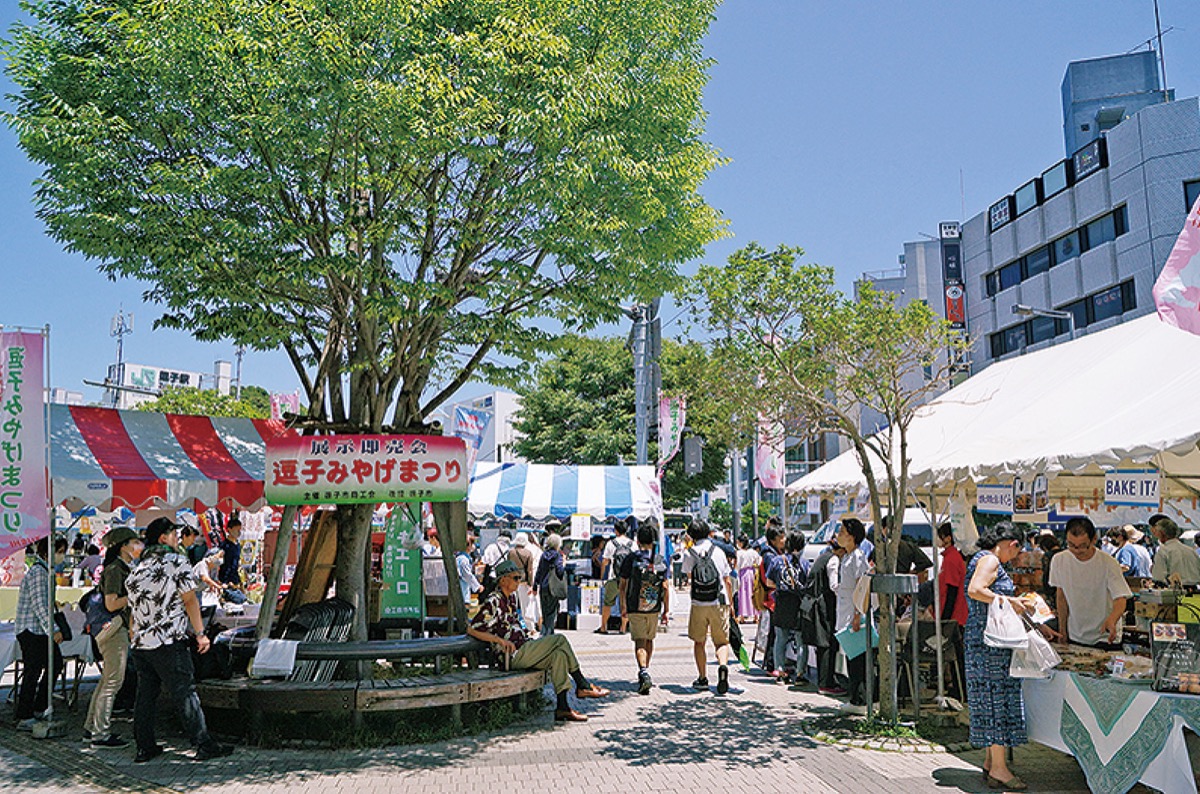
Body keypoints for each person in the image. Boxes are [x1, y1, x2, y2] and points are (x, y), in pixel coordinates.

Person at [126, 518, 232, 763]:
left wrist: (134, 634)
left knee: (145, 696)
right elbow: (189, 600)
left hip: (141, 643)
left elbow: (133, 609)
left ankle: (145, 747)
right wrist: (200, 633)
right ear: (163, 538)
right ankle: (203, 743)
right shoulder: (176, 562)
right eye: (174, 533)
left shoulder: (137, 569)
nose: (177, 537)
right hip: (168, 640)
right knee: (185, 692)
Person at [468, 559, 609, 722]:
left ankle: (563, 708)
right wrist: (498, 641)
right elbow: (472, 628)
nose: (518, 581)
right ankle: (582, 684)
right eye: (515, 578)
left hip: (525, 647)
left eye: (519, 578)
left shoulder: (512, 598)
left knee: (559, 656)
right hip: (512, 656)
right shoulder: (493, 601)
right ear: (503, 579)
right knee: (560, 640)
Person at [965, 521, 1034, 791]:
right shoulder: (991, 560)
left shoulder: (982, 558)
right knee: (997, 700)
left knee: (991, 699)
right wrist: (1010, 601)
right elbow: (976, 590)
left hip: (983, 639)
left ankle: (991, 761)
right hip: (990, 644)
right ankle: (999, 769)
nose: (1014, 558)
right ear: (1013, 544)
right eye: (1016, 552)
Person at [82, 527, 143, 747]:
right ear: (123, 545)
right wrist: (134, 595)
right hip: (113, 630)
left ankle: (92, 727)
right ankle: (101, 733)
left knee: (107, 681)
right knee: (113, 682)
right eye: (134, 541)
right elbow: (112, 603)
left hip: (115, 629)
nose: (138, 545)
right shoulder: (116, 569)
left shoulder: (121, 567)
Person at [1049, 516, 1132, 650]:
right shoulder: (1059, 560)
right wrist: (1062, 630)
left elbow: (1120, 598)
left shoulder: (1108, 563)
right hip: (1076, 635)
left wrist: (1112, 619)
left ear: (1094, 540)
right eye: (1071, 545)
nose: (1076, 550)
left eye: (1082, 546)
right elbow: (1061, 596)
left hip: (1105, 637)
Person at [13, 536, 67, 730]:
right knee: (33, 671)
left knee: (54, 663)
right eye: (60, 551)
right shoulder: (38, 572)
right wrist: (54, 630)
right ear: (48, 551)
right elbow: (40, 606)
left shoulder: (45, 572)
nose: (63, 556)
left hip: (38, 630)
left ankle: (39, 706)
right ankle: (25, 714)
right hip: (32, 630)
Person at [681, 520, 734, 694]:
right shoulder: (718, 551)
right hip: (719, 600)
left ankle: (702, 678)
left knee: (699, 641)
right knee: (721, 641)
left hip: (699, 602)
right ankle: (723, 667)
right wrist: (731, 603)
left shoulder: (690, 553)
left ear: (691, 535)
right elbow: (727, 579)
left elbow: (689, 576)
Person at [618, 524, 669, 695]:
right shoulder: (660, 560)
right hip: (654, 606)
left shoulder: (631, 559)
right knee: (649, 639)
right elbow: (666, 587)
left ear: (638, 540)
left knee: (639, 640)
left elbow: (623, 585)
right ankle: (646, 669)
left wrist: (623, 606)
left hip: (635, 605)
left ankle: (643, 671)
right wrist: (666, 611)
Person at [835, 517, 871, 713]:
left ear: (852, 536)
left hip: (853, 612)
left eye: (842, 532)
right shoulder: (847, 556)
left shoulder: (858, 557)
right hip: (846, 610)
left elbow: (861, 587)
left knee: (856, 658)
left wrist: (858, 614)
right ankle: (856, 698)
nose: (838, 536)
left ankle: (860, 700)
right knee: (851, 656)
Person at [767, 532, 809, 687]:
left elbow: (770, 582)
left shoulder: (777, 561)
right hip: (798, 604)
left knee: (781, 639)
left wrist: (781, 586)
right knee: (801, 641)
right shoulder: (804, 563)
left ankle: (780, 672)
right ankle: (799, 674)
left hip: (782, 603)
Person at [597, 519, 635, 635]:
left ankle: (603, 627)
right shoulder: (632, 544)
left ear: (616, 530)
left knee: (608, 603)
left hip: (613, 578)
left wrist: (602, 576)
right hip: (628, 578)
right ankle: (623, 628)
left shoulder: (611, 543)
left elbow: (605, 562)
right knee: (626, 603)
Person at [531, 532, 566, 636]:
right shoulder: (558, 555)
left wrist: (535, 585)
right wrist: (564, 563)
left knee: (545, 611)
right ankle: (548, 634)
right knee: (551, 612)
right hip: (552, 587)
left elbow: (539, 571)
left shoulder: (543, 555)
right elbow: (560, 571)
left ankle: (544, 632)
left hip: (543, 586)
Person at [934, 523, 969, 627]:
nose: (937, 539)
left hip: (955, 617)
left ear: (948, 538)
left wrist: (945, 620)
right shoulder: (950, 557)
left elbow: (952, 591)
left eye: (940, 536)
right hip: (954, 615)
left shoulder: (951, 559)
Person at [1150, 518, 1200, 585]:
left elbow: (1159, 577)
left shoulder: (1164, 551)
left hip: (1175, 592)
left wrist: (1153, 571)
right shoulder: (1191, 551)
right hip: (1195, 592)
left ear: (1162, 533)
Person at [508, 532, 537, 624]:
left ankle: (512, 622)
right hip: (523, 580)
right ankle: (529, 626)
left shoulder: (511, 552)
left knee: (512, 603)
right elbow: (530, 570)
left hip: (512, 579)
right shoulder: (528, 553)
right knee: (525, 604)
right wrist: (530, 583)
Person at [734, 535, 761, 623]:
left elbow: (737, 565)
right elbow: (759, 561)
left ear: (741, 543)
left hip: (743, 574)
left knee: (743, 594)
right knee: (753, 594)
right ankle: (756, 616)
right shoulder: (752, 552)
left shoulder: (739, 553)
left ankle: (742, 616)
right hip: (752, 573)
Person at [216, 516, 242, 588]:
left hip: (235, 577)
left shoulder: (238, 545)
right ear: (229, 529)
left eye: (240, 530)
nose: (239, 532)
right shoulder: (224, 546)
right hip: (225, 579)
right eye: (237, 530)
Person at [457, 535, 483, 604]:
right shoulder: (463, 559)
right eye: (472, 543)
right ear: (468, 546)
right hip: (462, 595)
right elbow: (468, 576)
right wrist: (478, 587)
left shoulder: (462, 558)